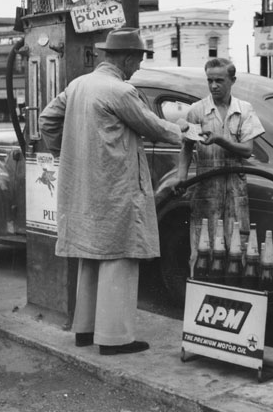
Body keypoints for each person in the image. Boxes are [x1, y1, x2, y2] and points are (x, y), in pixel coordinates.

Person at [39, 28, 187, 356]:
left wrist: (68, 156)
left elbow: (47, 120)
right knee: (121, 255)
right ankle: (114, 338)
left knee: (91, 255)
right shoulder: (121, 90)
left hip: (83, 186)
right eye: (137, 60)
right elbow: (153, 126)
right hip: (115, 185)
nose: (137, 68)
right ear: (127, 58)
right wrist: (186, 133)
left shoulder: (78, 85)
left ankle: (85, 329)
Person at [177, 58, 265, 274]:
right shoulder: (196, 111)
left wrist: (219, 139)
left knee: (238, 249)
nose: (214, 85)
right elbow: (187, 148)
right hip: (206, 188)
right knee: (201, 248)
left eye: (219, 80)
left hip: (235, 189)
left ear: (232, 80)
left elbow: (246, 149)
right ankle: (200, 297)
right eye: (210, 80)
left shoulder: (244, 110)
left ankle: (234, 301)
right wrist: (181, 179)